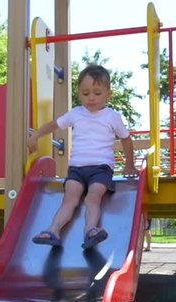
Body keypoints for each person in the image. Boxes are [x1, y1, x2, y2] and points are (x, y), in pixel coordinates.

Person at [28, 64, 139, 249]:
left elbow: (126, 140)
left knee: (92, 197)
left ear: (108, 94)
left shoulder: (112, 116)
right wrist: (36, 135)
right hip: (77, 169)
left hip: (101, 169)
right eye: (86, 93)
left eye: (97, 93)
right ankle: (53, 230)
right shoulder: (76, 114)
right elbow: (53, 125)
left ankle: (90, 230)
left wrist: (129, 164)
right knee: (70, 199)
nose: (91, 98)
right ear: (79, 94)